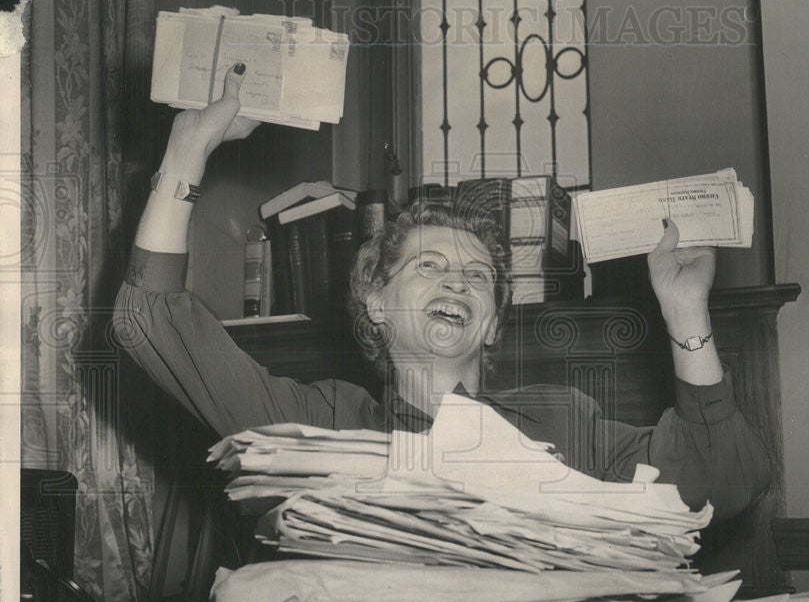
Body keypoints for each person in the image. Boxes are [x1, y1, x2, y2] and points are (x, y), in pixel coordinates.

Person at [114, 64, 771, 523]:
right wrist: (188, 155)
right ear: (375, 303)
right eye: (428, 265)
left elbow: (721, 485)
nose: (457, 280)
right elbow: (150, 321)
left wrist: (686, 311)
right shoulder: (320, 422)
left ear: (490, 325)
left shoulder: (564, 423)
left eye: (479, 274)